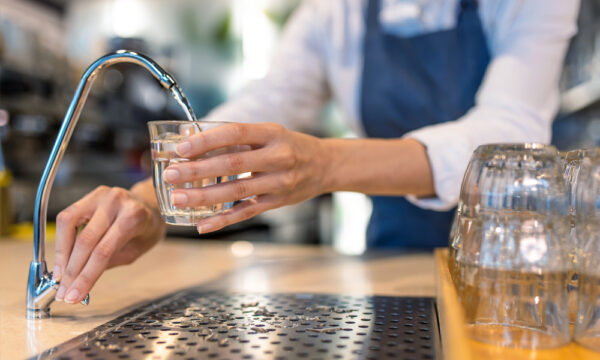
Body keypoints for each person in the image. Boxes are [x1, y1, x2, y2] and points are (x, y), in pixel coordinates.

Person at [51, 0, 579, 304]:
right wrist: (148, 198)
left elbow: (510, 135)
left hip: (518, 270)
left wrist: (326, 163)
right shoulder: (337, 11)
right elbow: (267, 101)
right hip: (393, 267)